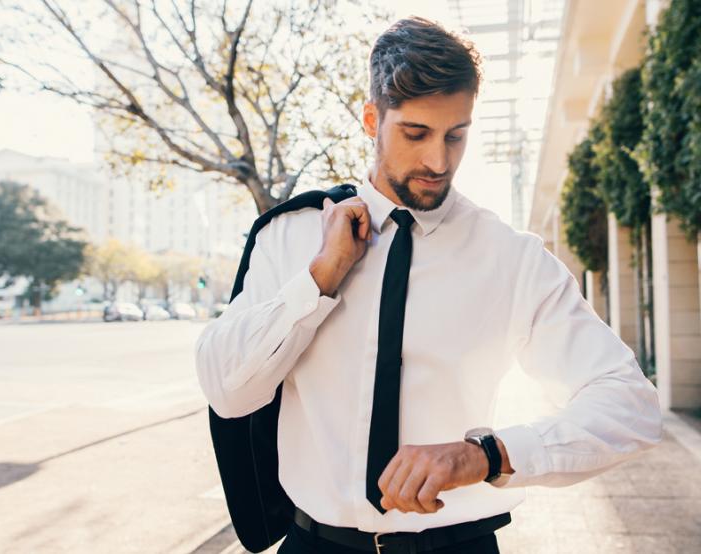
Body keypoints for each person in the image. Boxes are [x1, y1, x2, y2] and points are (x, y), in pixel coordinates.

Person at [195, 16, 663, 554]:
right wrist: (319, 277)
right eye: (415, 134)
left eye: (455, 135)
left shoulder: (511, 257)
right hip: (315, 544)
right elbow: (227, 391)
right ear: (372, 119)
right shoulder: (292, 236)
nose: (438, 161)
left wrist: (486, 455)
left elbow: (631, 404)